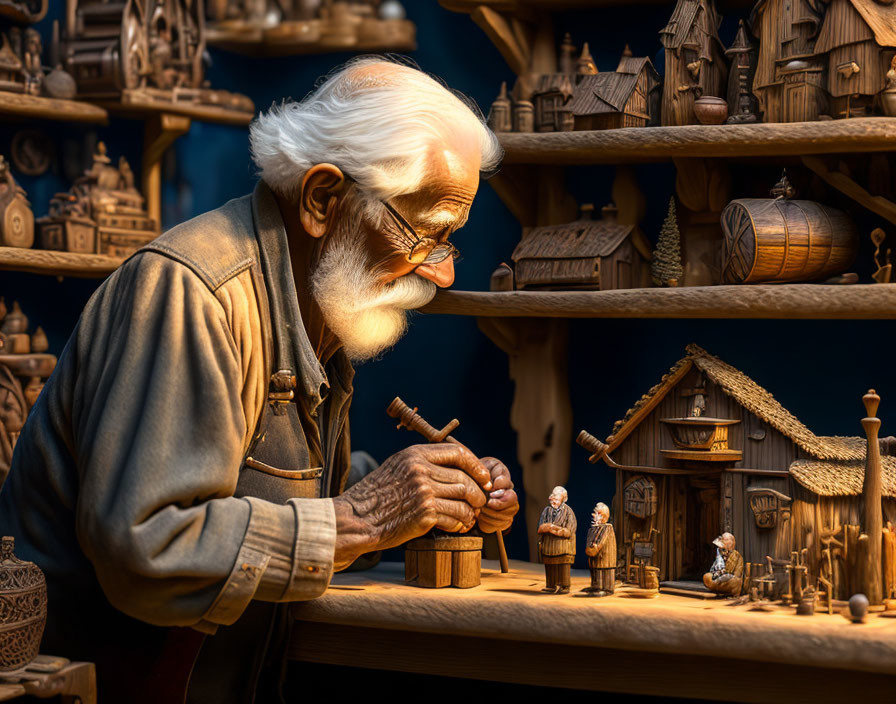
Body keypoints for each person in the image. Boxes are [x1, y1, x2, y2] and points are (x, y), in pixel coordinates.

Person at [0, 57, 518, 702]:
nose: (438, 274)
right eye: (426, 235)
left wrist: (427, 497)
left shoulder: (316, 300)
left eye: (448, 243)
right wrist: (363, 517)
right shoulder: (194, 294)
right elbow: (148, 549)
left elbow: (256, 485)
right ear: (323, 198)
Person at [537, 486, 576, 594]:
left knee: (563, 567)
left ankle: (564, 586)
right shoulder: (546, 511)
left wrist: (557, 530)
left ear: (563, 499)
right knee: (550, 566)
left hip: (563, 546)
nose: (554, 501)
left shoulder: (568, 512)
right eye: (553, 499)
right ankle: (551, 585)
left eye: (557, 500)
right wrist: (546, 527)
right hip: (549, 546)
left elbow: (570, 530)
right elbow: (540, 527)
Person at [583, 502, 616, 596]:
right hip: (594, 558)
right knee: (596, 573)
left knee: (605, 574)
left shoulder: (607, 528)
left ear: (604, 517)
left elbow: (601, 541)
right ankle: (596, 587)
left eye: (598, 514)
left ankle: (607, 589)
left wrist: (595, 548)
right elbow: (589, 541)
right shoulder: (592, 529)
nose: (594, 516)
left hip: (605, 558)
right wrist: (590, 549)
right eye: (595, 513)